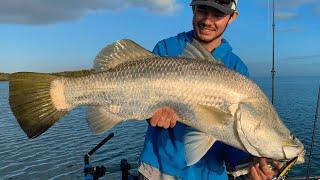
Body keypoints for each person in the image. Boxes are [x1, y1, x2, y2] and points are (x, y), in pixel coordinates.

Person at [139, 0, 282, 179]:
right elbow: (141, 99)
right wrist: (150, 113)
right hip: (158, 169)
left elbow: (235, 133)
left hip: (211, 174)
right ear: (193, 10)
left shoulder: (237, 68)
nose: (207, 20)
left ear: (232, 17)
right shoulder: (166, 49)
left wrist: (254, 162)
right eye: (202, 11)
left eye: (217, 14)